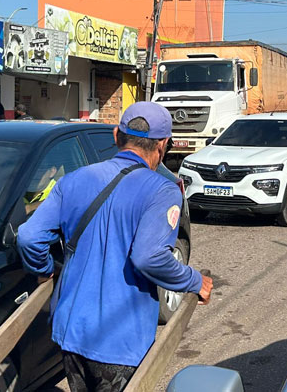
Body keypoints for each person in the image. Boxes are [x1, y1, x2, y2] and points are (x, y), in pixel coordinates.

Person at [17, 102, 213, 392]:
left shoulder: (74, 179)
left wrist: (44, 271)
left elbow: (29, 236)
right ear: (163, 145)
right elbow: (149, 257)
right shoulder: (162, 190)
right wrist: (194, 280)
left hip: (71, 331)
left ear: (115, 136)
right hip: (119, 341)